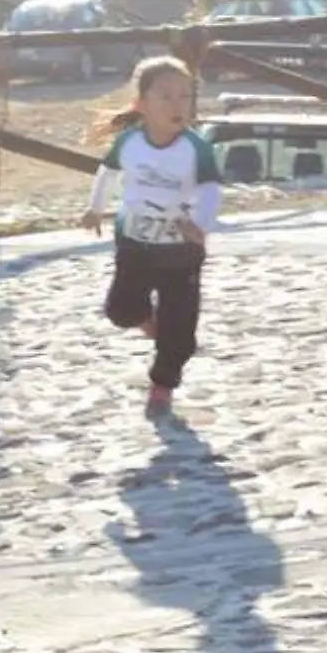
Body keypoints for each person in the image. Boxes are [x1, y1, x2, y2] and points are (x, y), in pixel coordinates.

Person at [80, 56, 222, 418]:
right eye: (166, 97)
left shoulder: (196, 148)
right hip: (135, 243)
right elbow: (108, 173)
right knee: (120, 310)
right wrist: (95, 208)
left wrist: (200, 224)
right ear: (141, 104)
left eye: (185, 96)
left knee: (180, 331)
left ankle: (162, 386)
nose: (178, 105)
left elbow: (210, 189)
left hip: (181, 251)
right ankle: (146, 319)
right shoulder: (130, 142)